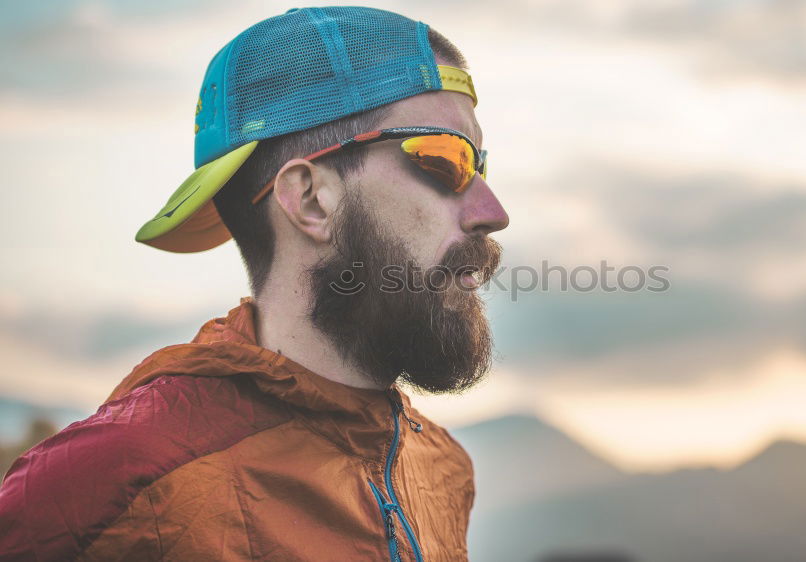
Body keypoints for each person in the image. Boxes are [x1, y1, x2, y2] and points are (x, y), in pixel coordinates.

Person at [0, 6, 509, 561]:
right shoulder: (115, 482)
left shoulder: (442, 468)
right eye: (447, 161)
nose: (492, 211)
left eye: (481, 165)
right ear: (311, 199)